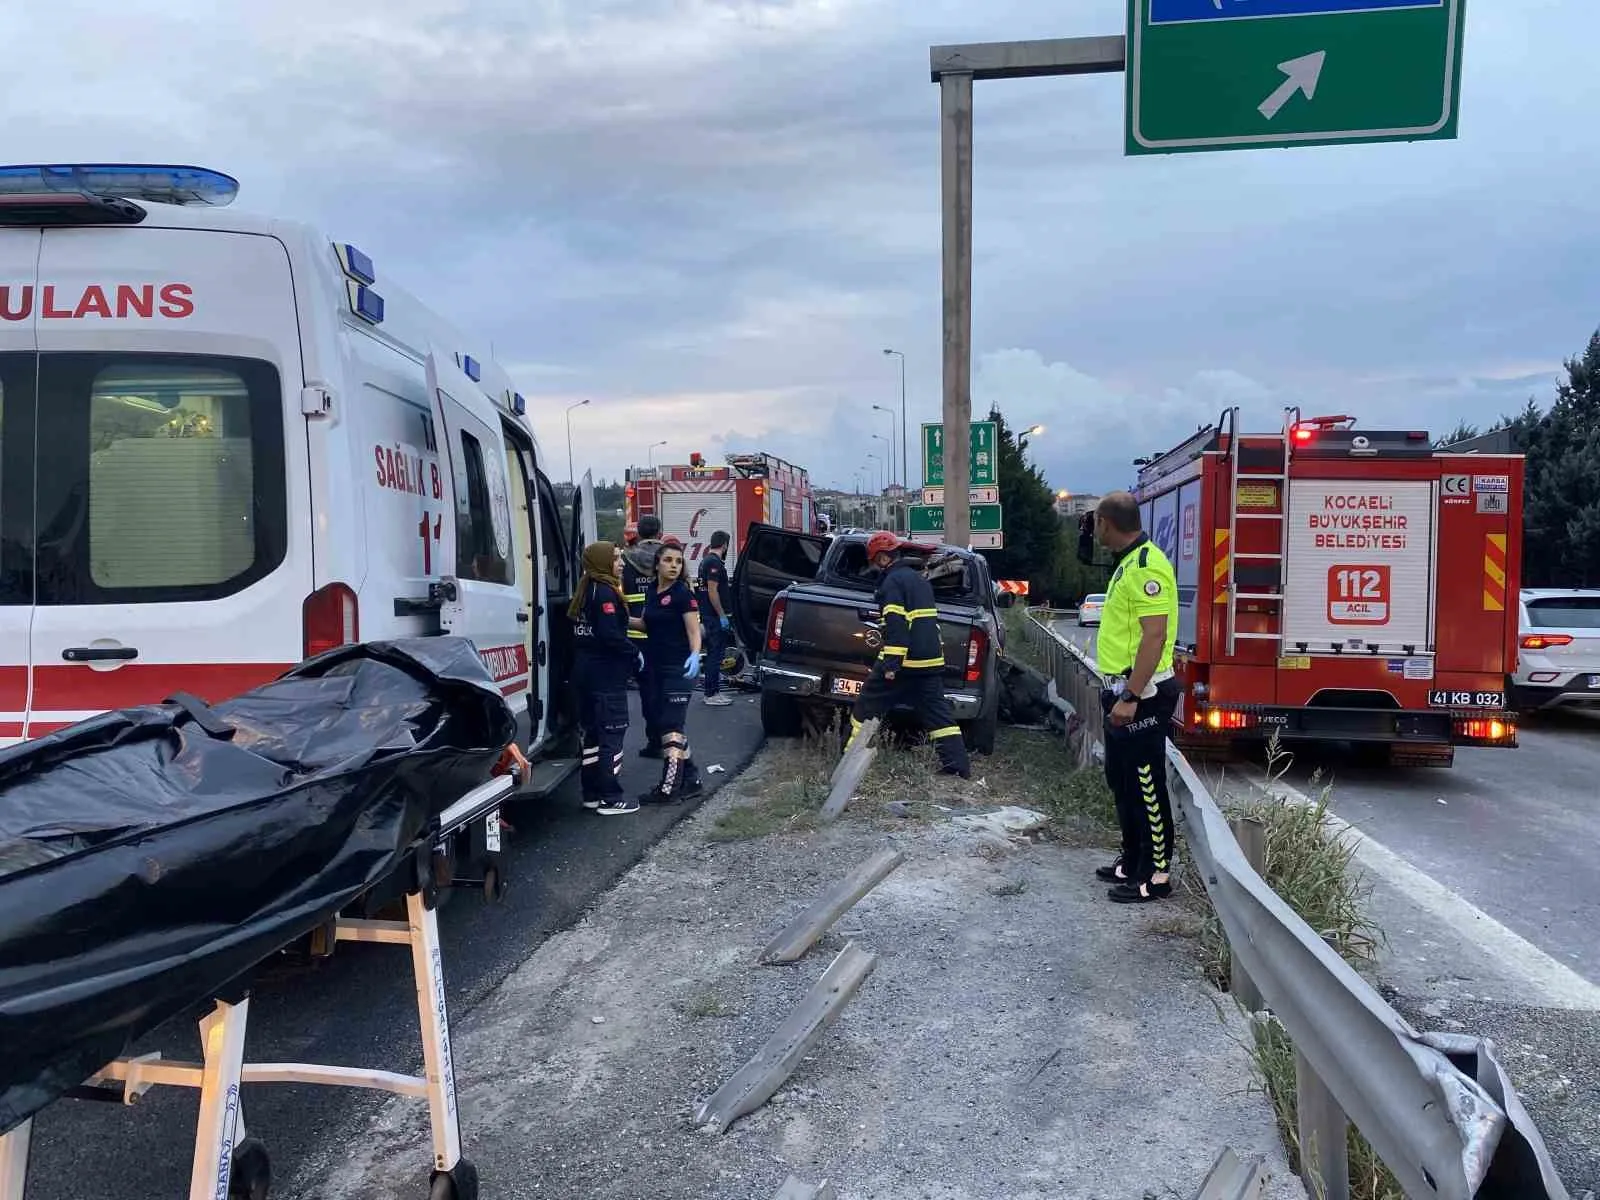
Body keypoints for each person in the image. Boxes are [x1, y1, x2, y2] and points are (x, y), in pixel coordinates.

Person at [1081, 491, 1180, 904]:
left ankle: (1155, 875)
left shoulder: (1144, 566)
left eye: (1096, 523)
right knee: (1122, 780)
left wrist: (1132, 695)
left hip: (1143, 693)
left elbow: (1154, 635)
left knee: (1145, 785)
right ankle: (1132, 858)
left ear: (1106, 522)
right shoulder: (1128, 564)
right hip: (1123, 692)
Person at [843, 532, 971, 779]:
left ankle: (848, 762)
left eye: (873, 561)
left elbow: (896, 626)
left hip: (904, 663)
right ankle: (957, 767)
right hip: (930, 661)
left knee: (866, 707)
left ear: (881, 558)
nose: (873, 567)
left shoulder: (892, 583)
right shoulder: (918, 580)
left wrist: (891, 664)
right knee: (938, 714)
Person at [567, 540, 639, 816]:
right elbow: (610, 635)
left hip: (584, 672)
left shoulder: (586, 590)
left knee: (594, 737)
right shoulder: (606, 593)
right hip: (606, 675)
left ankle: (592, 794)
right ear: (602, 562)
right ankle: (611, 797)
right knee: (613, 732)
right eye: (617, 558)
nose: (621, 563)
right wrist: (634, 653)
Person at [633, 541, 705, 804]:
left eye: (678, 561)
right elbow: (645, 624)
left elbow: (694, 632)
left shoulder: (682, 594)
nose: (674, 565)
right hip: (655, 667)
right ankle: (692, 779)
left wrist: (696, 654)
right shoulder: (652, 591)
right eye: (668, 561)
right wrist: (619, 617)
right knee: (662, 723)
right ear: (657, 564)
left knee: (671, 727)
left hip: (679, 668)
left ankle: (669, 788)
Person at [622, 515, 666, 755]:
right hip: (666, 634)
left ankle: (654, 741)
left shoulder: (625, 558)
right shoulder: (670, 558)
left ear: (638, 532)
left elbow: (619, 596)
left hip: (636, 634)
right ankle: (672, 741)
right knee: (668, 688)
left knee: (647, 689)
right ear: (659, 532)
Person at [697, 530, 734, 707]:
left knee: (715, 654)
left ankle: (714, 691)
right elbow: (712, 591)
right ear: (725, 544)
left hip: (708, 615)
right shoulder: (714, 563)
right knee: (715, 655)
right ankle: (711, 694)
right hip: (713, 617)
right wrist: (721, 616)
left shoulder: (706, 560)